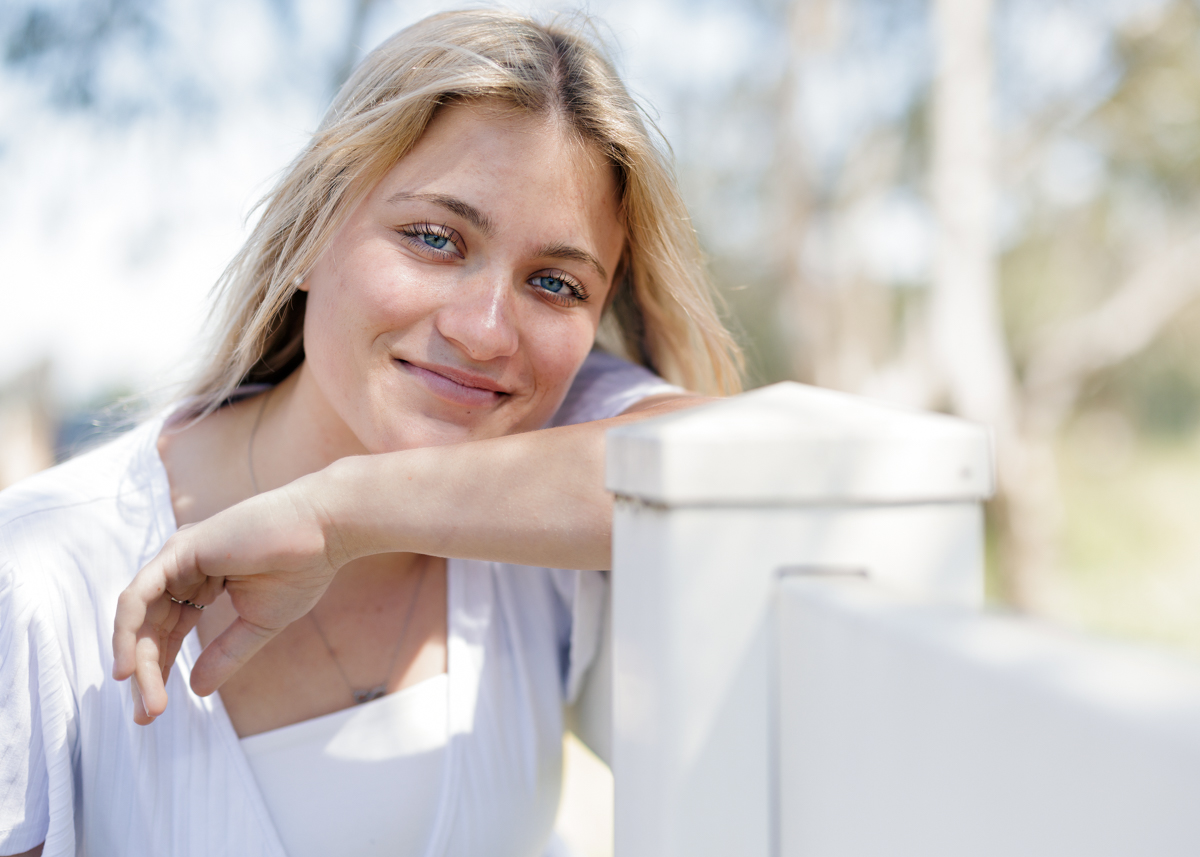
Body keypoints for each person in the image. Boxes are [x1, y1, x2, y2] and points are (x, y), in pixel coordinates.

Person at [0, 9, 742, 857]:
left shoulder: (541, 463)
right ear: (310, 236)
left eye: (555, 283)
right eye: (434, 237)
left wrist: (342, 510)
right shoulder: (41, 579)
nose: (488, 330)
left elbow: (759, 465)